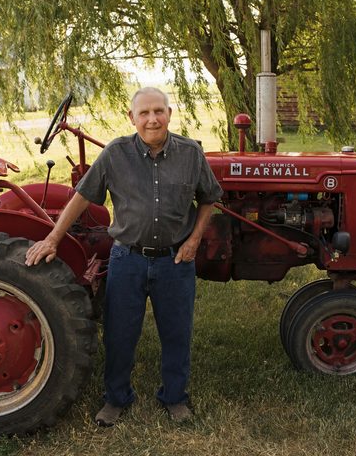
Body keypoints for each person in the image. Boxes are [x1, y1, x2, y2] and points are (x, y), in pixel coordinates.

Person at [25, 87, 223, 426]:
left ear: (169, 114)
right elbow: (82, 197)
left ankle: (175, 398)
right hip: (127, 260)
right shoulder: (116, 153)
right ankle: (116, 399)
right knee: (120, 334)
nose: (152, 119)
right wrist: (53, 238)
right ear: (132, 118)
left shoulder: (190, 154)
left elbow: (211, 197)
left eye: (158, 111)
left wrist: (193, 240)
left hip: (175, 261)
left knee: (176, 334)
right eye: (144, 113)